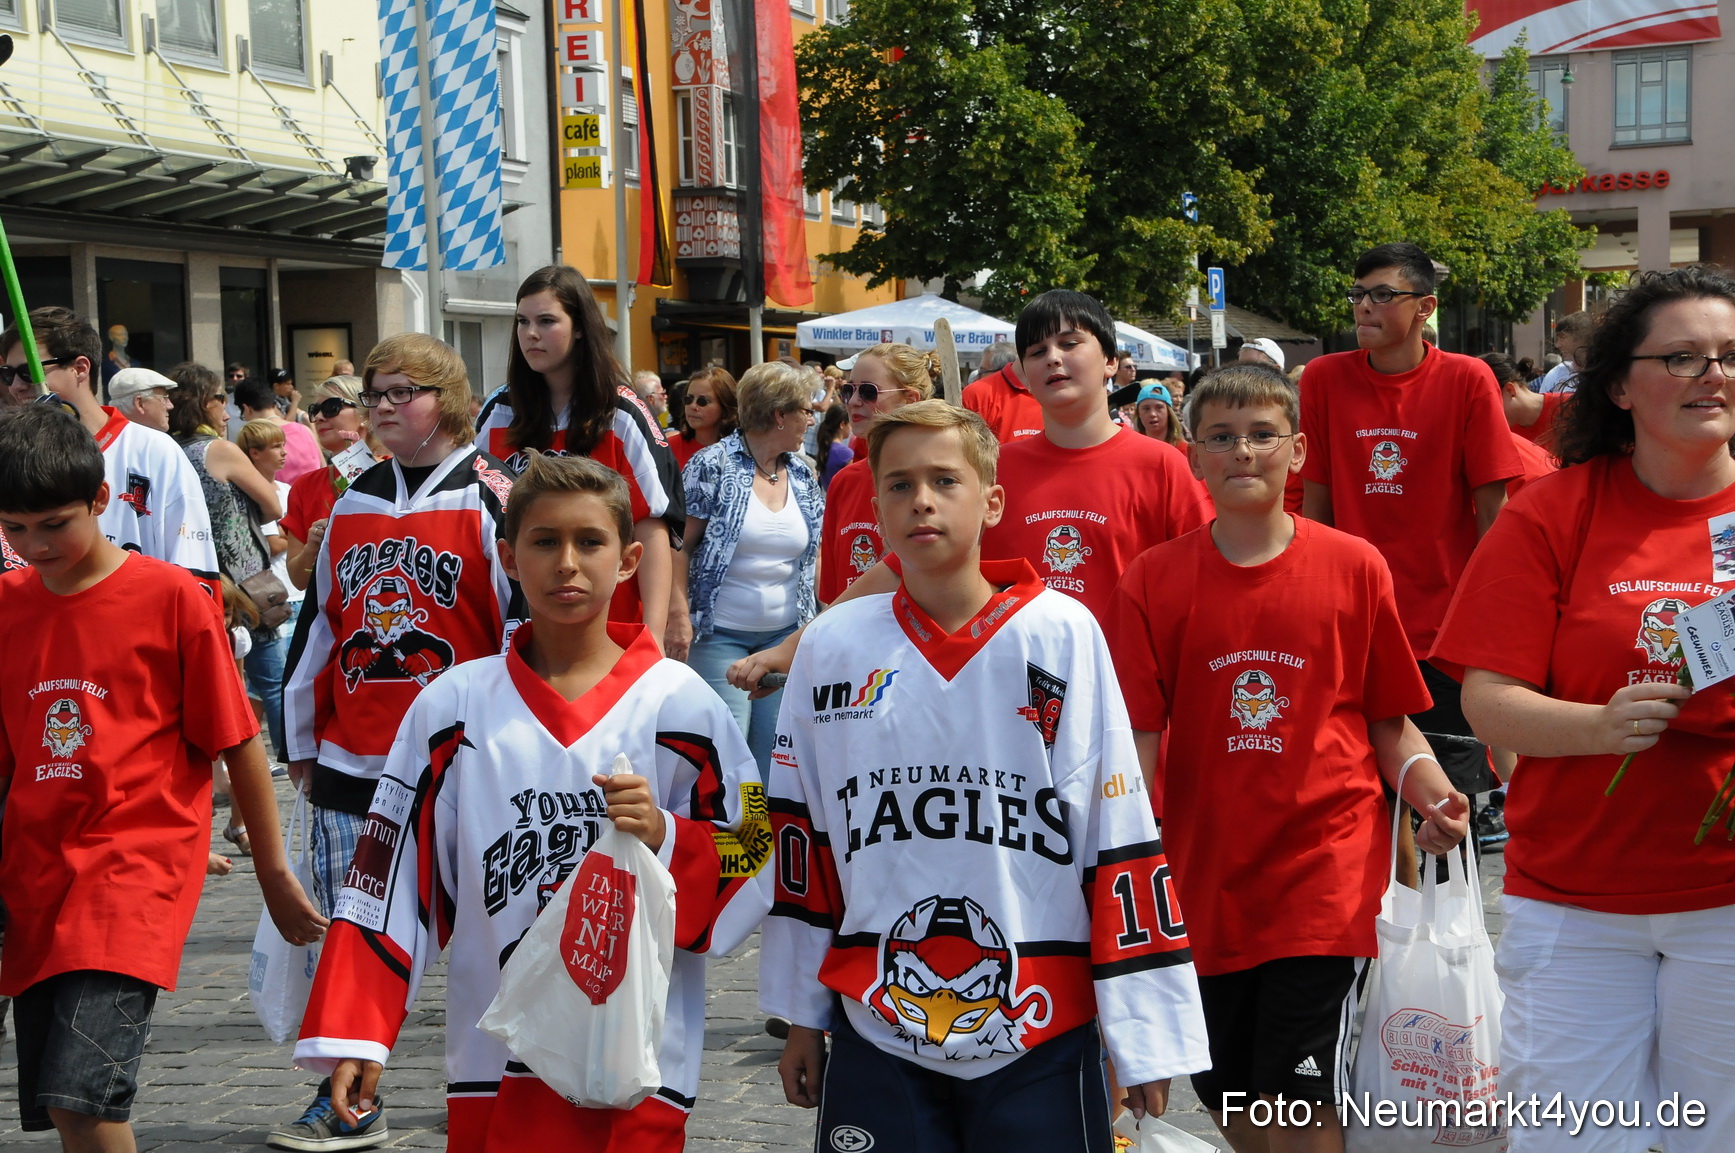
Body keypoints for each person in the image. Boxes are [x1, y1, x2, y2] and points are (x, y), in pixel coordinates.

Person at [762, 401, 1211, 1151]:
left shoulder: (1061, 631)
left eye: (944, 479)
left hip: (1040, 1018)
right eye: (898, 485)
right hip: (876, 1016)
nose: (922, 501)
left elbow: (1117, 834)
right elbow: (797, 835)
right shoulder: (832, 645)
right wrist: (800, 1011)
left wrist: (1143, 1031)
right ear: (873, 503)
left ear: (993, 500)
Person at [293, 452, 771, 1152]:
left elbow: (757, 846)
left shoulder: (684, 704)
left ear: (631, 557)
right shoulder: (451, 706)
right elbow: (386, 878)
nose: (567, 563)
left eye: (590, 541)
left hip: (639, 1054)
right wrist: (358, 1029)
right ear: (508, 556)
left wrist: (668, 835)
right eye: (545, 541)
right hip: (494, 1056)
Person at [1110, 365, 1469, 1153]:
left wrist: (1433, 793)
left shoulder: (1352, 565)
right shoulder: (1153, 579)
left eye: (1262, 434)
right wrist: (1118, 861)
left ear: (1296, 449)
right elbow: (1135, 740)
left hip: (1324, 880)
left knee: (1301, 1101)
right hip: (1202, 883)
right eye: (1221, 436)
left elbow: (1390, 723)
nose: (1243, 451)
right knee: (1234, 1096)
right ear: (1191, 451)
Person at [1434, 267, 1735, 1153]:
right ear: (1615, 384)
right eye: (1680, 357)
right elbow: (1486, 702)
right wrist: (1598, 727)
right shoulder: (1551, 510)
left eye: (1727, 356)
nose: (1711, 374)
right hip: (1574, 906)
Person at [0, 406, 324, 1151]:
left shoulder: (172, 596)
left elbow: (238, 739)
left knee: (84, 1098)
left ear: (101, 502)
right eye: (15, 528)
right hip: (35, 875)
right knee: (63, 1105)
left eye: (54, 522)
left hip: (127, 875)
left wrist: (271, 872)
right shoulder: (8, 603)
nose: (36, 545)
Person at [277, 334, 522, 1151]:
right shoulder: (351, 498)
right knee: (356, 933)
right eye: (373, 391)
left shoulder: (494, 495)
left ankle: (522, 1083)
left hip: (469, 760)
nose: (382, 405)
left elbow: (524, 625)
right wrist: (303, 739)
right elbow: (321, 623)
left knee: (498, 935)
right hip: (358, 762)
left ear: (447, 399)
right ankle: (348, 1093)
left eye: (401, 391)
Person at [728, 291, 1208, 707]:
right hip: (1006, 696)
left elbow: (1199, 588)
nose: (1053, 359)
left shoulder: (1161, 467)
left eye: (1070, 343)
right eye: (1037, 350)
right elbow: (901, 565)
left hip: (1125, 698)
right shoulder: (992, 467)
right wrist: (791, 648)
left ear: (1109, 360)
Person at [1299, 242, 1522, 809]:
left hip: (1442, 627)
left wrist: (1485, 617)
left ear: (1424, 308)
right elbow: (1316, 501)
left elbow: (1492, 512)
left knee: (1448, 804)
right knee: (1360, 791)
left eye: (1382, 295)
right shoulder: (1324, 378)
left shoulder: (1468, 379)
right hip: (1354, 618)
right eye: (1357, 294)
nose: (1364, 308)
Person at [476, 266, 678, 637]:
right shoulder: (498, 411)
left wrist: (653, 634)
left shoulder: (622, 412)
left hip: (609, 628)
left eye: (547, 321)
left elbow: (651, 527)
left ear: (581, 326)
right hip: (515, 627)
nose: (531, 334)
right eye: (522, 321)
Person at [669, 362, 821, 776]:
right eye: (805, 410)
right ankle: (728, 840)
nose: (812, 418)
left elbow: (811, 559)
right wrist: (678, 615)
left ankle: (767, 841)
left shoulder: (804, 475)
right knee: (727, 752)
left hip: (783, 639)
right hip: (719, 637)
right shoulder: (712, 464)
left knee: (776, 752)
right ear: (779, 415)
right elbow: (678, 544)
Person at [2, 308, 219, 590]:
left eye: (29, 372)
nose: (16, 386)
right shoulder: (7, 455)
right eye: (8, 374)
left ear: (80, 368)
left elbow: (195, 574)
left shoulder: (153, 451)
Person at [819, 344, 936, 606]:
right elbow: (832, 591)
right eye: (848, 389)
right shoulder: (844, 481)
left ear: (911, 399)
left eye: (868, 391)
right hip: (852, 636)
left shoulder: (942, 481)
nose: (852, 401)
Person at [279, 375, 379, 593]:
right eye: (316, 409)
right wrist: (312, 547)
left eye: (332, 407)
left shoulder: (397, 473)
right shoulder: (305, 486)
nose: (320, 417)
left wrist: (356, 457)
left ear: (366, 414)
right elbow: (298, 580)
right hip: (328, 617)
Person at [237, 378, 324, 484]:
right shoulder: (305, 431)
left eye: (243, 416)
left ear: (246, 409)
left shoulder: (254, 438)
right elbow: (323, 468)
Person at [961, 339, 1043, 442]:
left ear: (999, 370)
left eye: (982, 371)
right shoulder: (976, 394)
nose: (976, 378)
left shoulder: (1058, 391)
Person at [670, 365, 738, 471]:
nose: (693, 406)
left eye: (702, 401)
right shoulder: (668, 448)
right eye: (688, 399)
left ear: (724, 407)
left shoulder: (741, 450)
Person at [1535, 310, 1594, 395]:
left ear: (1582, 336)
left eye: (1562, 337)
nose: (1557, 345)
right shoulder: (1556, 373)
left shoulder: (1605, 371)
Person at [108, 366, 177, 432]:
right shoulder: (154, 442)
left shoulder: (104, 440)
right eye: (164, 398)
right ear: (140, 403)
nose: (170, 406)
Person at [1131, 380, 1184, 447]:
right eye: (1146, 409)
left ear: (1169, 412)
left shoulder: (1184, 450)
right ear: (1138, 413)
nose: (1152, 414)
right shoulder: (1132, 448)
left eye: (1159, 407)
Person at [814, 402, 852, 489]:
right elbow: (851, 485)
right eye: (849, 423)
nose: (851, 428)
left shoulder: (825, 447)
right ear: (842, 425)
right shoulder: (845, 453)